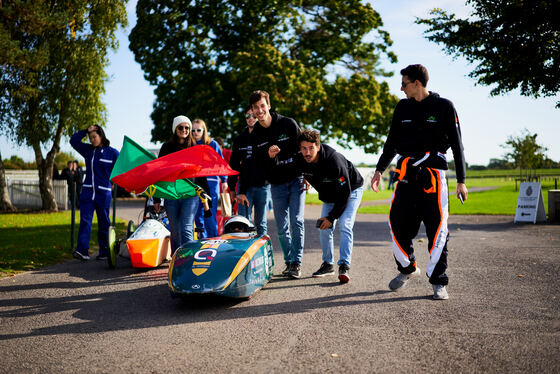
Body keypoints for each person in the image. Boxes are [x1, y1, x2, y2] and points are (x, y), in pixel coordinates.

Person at [370, 64, 468, 300]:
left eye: (404, 83)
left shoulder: (444, 106)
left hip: (433, 177)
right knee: (396, 222)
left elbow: (457, 145)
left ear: (417, 83)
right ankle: (408, 268)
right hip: (405, 175)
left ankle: (438, 282)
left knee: (438, 229)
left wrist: (462, 181)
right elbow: (391, 141)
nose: (400, 88)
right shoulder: (402, 107)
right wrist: (379, 170)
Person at [250, 90, 306, 279]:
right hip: (276, 184)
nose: (260, 110)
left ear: (269, 105)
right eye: (256, 107)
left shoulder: (288, 123)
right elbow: (259, 164)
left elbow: (304, 150)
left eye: (262, 105)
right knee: (282, 227)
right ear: (252, 110)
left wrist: (307, 175)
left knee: (296, 221)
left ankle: (297, 262)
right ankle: (289, 262)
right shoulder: (256, 133)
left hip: (297, 179)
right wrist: (269, 156)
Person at [295, 130, 364, 283]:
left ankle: (344, 265)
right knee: (323, 227)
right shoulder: (301, 160)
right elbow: (291, 169)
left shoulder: (334, 161)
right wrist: (304, 177)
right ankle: (328, 264)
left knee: (345, 225)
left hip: (351, 191)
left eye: (311, 148)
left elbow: (345, 192)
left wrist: (332, 217)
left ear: (318, 147)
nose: (307, 152)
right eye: (304, 148)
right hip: (329, 195)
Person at [158, 115, 210, 254]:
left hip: (190, 195)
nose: (184, 130)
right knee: (175, 232)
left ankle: (188, 262)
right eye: (180, 127)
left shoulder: (194, 148)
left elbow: (201, 173)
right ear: (175, 129)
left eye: (187, 127)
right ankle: (177, 261)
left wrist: (207, 195)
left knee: (186, 229)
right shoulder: (166, 147)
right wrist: (157, 198)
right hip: (172, 195)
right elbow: (158, 173)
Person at [70, 125, 119, 261]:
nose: (92, 140)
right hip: (87, 192)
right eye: (90, 138)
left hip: (103, 193)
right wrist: (85, 130)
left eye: (94, 137)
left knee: (104, 222)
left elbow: (121, 169)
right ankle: (82, 251)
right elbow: (73, 141)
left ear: (101, 135)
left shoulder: (112, 153)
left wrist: (117, 182)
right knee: (85, 220)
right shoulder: (88, 150)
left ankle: (104, 251)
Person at [228, 106, 271, 236]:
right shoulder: (239, 140)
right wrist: (231, 188)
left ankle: (262, 251)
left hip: (263, 185)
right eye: (248, 116)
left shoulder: (266, 136)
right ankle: (246, 253)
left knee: (261, 222)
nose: (251, 118)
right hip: (244, 186)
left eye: (253, 115)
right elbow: (234, 165)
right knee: (244, 221)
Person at [191, 119, 228, 238]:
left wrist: (224, 180)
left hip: (211, 183)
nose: (195, 132)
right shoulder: (190, 145)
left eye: (198, 130)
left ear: (204, 130)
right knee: (197, 216)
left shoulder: (212, 144)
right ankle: (202, 240)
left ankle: (214, 239)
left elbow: (221, 162)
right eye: (193, 130)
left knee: (210, 215)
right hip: (195, 184)